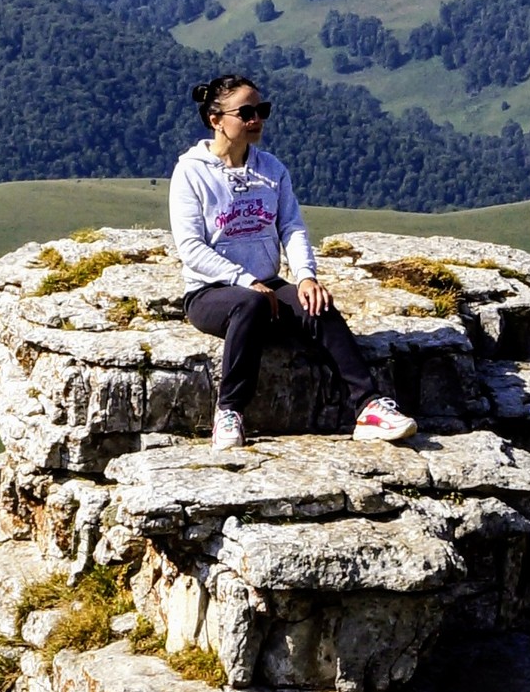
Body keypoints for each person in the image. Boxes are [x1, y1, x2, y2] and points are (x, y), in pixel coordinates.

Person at [171, 73, 417, 451]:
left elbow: (292, 228)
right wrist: (242, 279)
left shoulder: (271, 169)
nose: (257, 120)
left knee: (317, 304)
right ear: (215, 119)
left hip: (268, 283)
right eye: (247, 112)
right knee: (249, 303)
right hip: (210, 293)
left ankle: (368, 406)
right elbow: (191, 247)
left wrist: (304, 277)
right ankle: (229, 411)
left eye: (262, 110)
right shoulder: (191, 171)